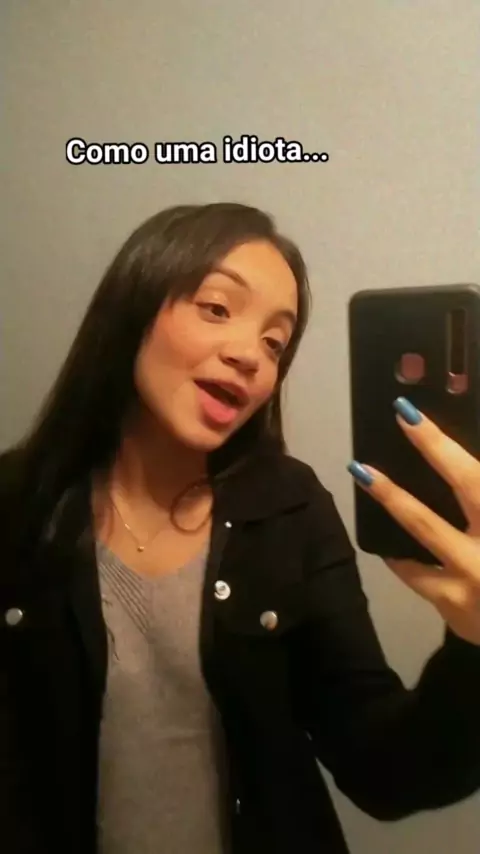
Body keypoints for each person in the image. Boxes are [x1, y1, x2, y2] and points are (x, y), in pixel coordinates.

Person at [1, 202, 479, 854]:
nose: (251, 355)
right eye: (218, 308)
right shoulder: (16, 505)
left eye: (275, 342)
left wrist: (473, 648)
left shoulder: (291, 509)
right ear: (134, 305)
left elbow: (386, 773)